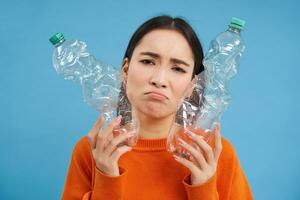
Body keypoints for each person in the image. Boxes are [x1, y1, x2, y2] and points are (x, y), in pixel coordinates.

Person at [61, 15, 253, 200]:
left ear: (193, 86)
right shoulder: (93, 151)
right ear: (125, 70)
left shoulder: (213, 155)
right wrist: (106, 178)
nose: (159, 80)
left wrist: (203, 189)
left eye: (178, 69)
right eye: (147, 62)